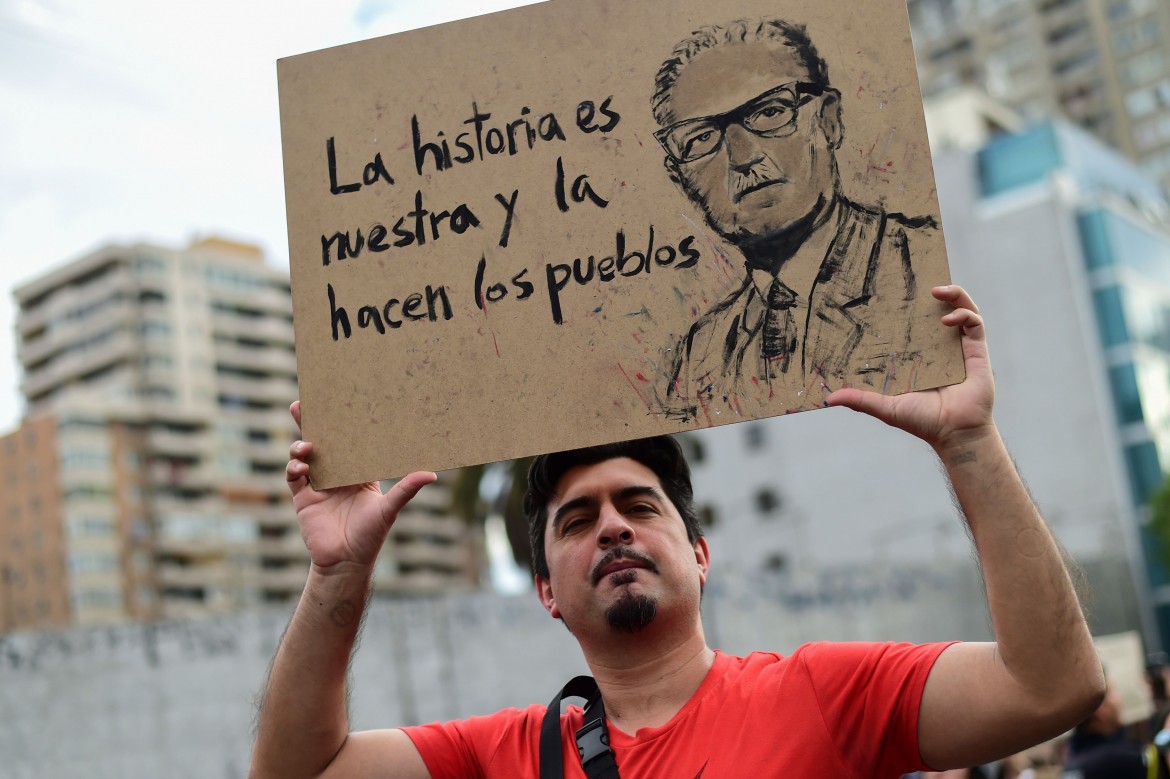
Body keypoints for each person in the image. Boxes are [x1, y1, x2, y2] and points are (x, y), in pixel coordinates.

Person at [249, 286, 1104, 778]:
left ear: (700, 552)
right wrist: (336, 572)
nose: (613, 525)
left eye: (641, 503)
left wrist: (968, 442)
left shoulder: (823, 692)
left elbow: (1052, 685)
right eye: (577, 521)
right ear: (545, 589)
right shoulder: (499, 755)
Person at [650, 19, 953, 420]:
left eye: (770, 111)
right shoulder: (698, 357)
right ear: (679, 177)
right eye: (701, 138)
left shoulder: (924, 272)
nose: (743, 156)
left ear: (829, 119)